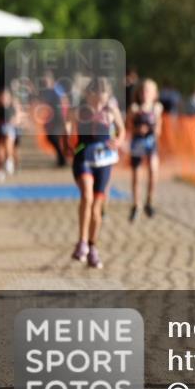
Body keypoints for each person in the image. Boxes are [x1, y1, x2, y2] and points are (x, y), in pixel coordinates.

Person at [70, 77, 125, 269]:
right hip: (83, 155)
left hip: (104, 159)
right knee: (87, 195)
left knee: (96, 206)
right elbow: (68, 127)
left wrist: (117, 141)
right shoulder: (79, 111)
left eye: (104, 97)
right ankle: (82, 242)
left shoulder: (111, 110)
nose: (100, 102)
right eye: (96, 97)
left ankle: (93, 247)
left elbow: (121, 130)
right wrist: (69, 141)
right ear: (88, 95)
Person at [128, 79, 163, 222]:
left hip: (151, 143)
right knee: (136, 174)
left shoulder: (157, 108)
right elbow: (129, 126)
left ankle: (149, 201)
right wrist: (138, 129)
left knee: (153, 171)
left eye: (148, 91)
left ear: (154, 94)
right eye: (142, 91)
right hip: (137, 142)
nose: (145, 93)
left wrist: (151, 130)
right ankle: (136, 204)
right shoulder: (134, 108)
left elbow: (159, 128)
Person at [0, 87, 25, 181]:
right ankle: (0, 169)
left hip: (13, 129)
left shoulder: (14, 105)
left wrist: (14, 121)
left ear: (10, 97)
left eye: (6, 97)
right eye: (3, 97)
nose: (4, 99)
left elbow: (20, 117)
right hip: (1, 130)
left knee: (12, 146)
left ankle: (11, 161)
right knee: (0, 150)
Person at [39, 71, 70, 167]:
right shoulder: (47, 91)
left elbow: (64, 100)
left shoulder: (57, 88)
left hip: (58, 116)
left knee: (54, 137)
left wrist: (64, 115)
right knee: (51, 137)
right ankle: (61, 158)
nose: (44, 82)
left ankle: (62, 159)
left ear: (50, 80)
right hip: (51, 117)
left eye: (46, 80)